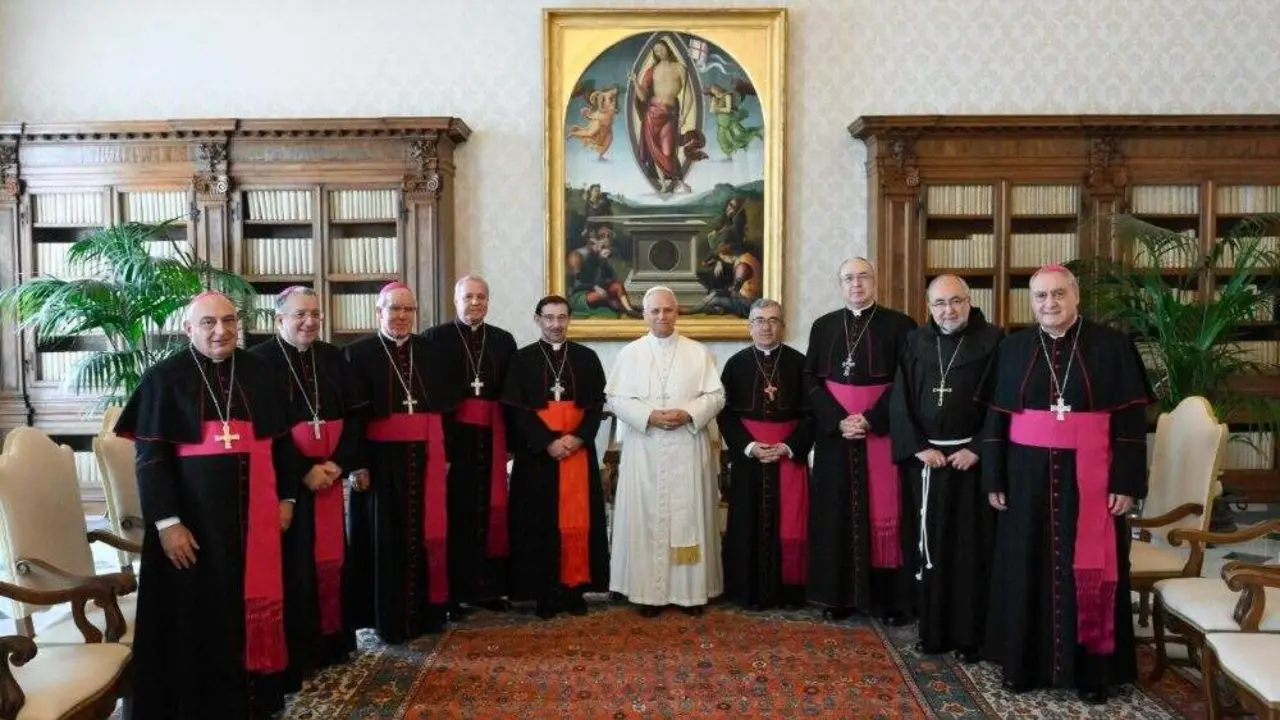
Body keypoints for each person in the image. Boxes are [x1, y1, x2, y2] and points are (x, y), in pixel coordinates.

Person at [115, 291, 300, 719]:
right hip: (196, 525)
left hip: (256, 520)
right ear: (188, 329)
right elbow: (151, 460)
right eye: (209, 323)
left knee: (249, 605)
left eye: (230, 321)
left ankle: (254, 699)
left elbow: (282, 444)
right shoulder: (165, 378)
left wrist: (286, 499)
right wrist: (167, 523)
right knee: (198, 615)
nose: (222, 331)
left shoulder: (261, 370)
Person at [979, 265, 1153, 704]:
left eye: (1058, 294)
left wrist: (1126, 481)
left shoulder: (1112, 346)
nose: (1049, 304)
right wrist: (994, 476)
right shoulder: (1013, 347)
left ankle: (1093, 672)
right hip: (1025, 477)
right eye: (1040, 296)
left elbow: (1131, 423)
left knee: (1094, 568)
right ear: (1031, 301)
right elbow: (996, 420)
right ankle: (1022, 664)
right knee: (1024, 566)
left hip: (1092, 480)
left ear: (1076, 298)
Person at [248, 286, 365, 688]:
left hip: (330, 477)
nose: (310, 322)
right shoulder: (257, 363)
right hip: (288, 484)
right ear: (279, 320)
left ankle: (332, 642)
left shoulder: (333, 357)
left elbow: (355, 420)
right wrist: (303, 471)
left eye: (315, 314)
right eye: (300, 315)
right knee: (294, 563)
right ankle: (299, 648)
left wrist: (337, 464)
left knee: (333, 558)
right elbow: (268, 434)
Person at [888, 275, 1001, 663]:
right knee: (930, 547)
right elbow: (900, 399)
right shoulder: (916, 342)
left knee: (970, 550)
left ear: (970, 302)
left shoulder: (995, 342)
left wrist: (977, 448)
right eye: (939, 304)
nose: (947, 311)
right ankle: (933, 632)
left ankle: (971, 638)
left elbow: (1003, 405)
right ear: (929, 307)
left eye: (955, 301)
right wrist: (918, 447)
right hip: (928, 463)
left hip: (970, 462)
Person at [804, 257, 918, 624]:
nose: (856, 284)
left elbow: (906, 381)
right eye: (849, 278)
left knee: (887, 514)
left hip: (881, 433)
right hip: (837, 437)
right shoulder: (824, 327)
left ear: (875, 281)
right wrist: (839, 421)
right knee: (837, 513)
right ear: (840, 284)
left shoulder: (900, 325)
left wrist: (870, 419)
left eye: (863, 276)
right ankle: (839, 596)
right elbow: (810, 381)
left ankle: (890, 601)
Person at [344, 281, 457, 642]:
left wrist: (447, 456)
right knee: (385, 539)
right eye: (394, 309)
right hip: (379, 461)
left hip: (424, 458)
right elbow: (352, 417)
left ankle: (427, 613)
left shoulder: (431, 351)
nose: (402, 316)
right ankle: (387, 619)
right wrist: (356, 464)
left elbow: (445, 412)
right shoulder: (358, 353)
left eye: (408, 309)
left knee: (424, 534)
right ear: (379, 312)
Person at [606, 286, 725, 617]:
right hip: (645, 448)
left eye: (668, 310)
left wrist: (688, 413)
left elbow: (716, 397)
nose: (661, 316)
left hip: (687, 446)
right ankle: (647, 594)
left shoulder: (699, 353)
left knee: (689, 516)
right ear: (644, 315)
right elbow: (615, 399)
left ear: (677, 312)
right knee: (645, 519)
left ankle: (691, 594)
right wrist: (649, 416)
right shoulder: (628, 354)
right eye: (654, 311)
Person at [501, 295, 610, 619]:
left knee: (578, 522)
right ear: (537, 320)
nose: (556, 324)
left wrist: (577, 439)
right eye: (549, 318)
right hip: (538, 458)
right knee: (538, 523)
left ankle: (574, 591)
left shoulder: (587, 358)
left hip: (576, 453)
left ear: (569, 319)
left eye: (562, 317)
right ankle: (543, 593)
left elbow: (596, 407)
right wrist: (547, 442)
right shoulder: (522, 360)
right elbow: (517, 412)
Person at [422, 275, 518, 615]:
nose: (475, 303)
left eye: (481, 297)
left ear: (488, 301)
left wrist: (511, 440)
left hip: (491, 436)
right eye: (468, 297)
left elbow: (511, 394)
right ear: (455, 299)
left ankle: (489, 589)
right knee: (455, 512)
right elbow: (431, 395)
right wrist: (441, 447)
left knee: (489, 510)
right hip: (453, 437)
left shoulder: (503, 341)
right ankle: (453, 593)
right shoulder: (434, 339)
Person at [719, 298, 813, 610]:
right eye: (759, 320)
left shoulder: (801, 364)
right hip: (750, 456)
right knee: (747, 522)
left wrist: (788, 446)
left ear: (783, 326)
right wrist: (748, 447)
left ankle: (787, 593)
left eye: (773, 320)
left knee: (791, 521)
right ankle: (747, 591)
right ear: (749, 326)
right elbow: (726, 414)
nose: (766, 327)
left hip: (787, 455)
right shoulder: (735, 365)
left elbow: (813, 414)